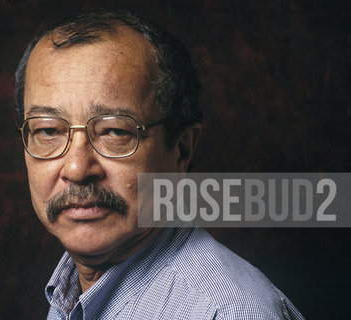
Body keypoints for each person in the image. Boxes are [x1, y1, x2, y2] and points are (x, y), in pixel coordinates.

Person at [15, 10, 305, 319]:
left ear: (181, 149)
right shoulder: (72, 292)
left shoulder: (228, 312)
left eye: (115, 131)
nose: (76, 169)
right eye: (48, 130)